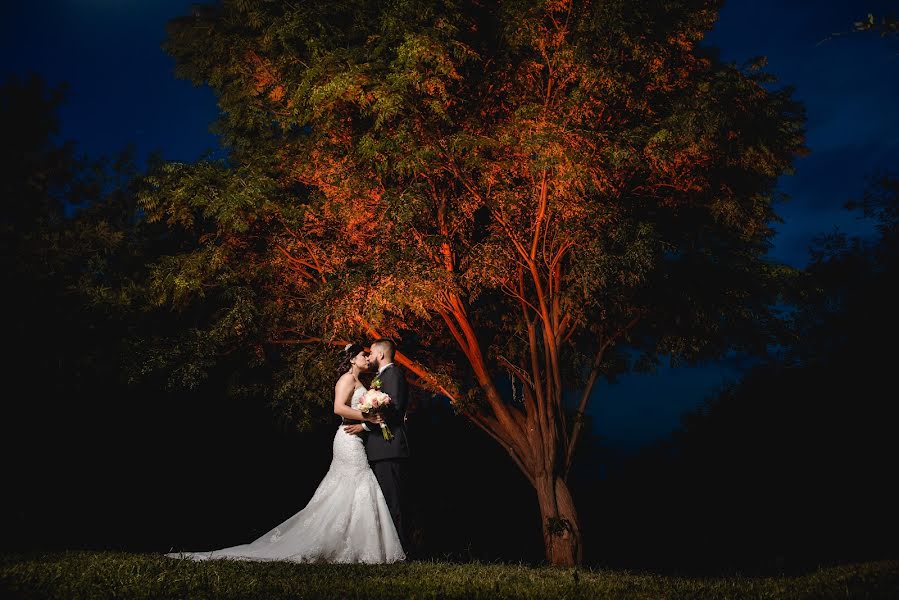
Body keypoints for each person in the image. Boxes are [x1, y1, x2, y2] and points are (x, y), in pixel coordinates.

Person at [165, 343, 405, 564]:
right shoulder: (346, 379)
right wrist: (367, 417)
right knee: (356, 483)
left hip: (357, 439)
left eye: (368, 354)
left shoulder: (365, 382)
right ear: (352, 359)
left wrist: (369, 418)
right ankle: (352, 544)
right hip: (347, 439)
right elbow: (337, 408)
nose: (367, 357)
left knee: (353, 488)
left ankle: (358, 544)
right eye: (363, 355)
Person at [349, 338, 411, 551]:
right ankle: (388, 548)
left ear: (381, 355)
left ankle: (400, 550)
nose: (369, 357)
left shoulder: (392, 374)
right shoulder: (383, 376)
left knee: (393, 501)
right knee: (386, 500)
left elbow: (392, 410)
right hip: (381, 448)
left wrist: (364, 426)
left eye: (372, 353)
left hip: (389, 447)